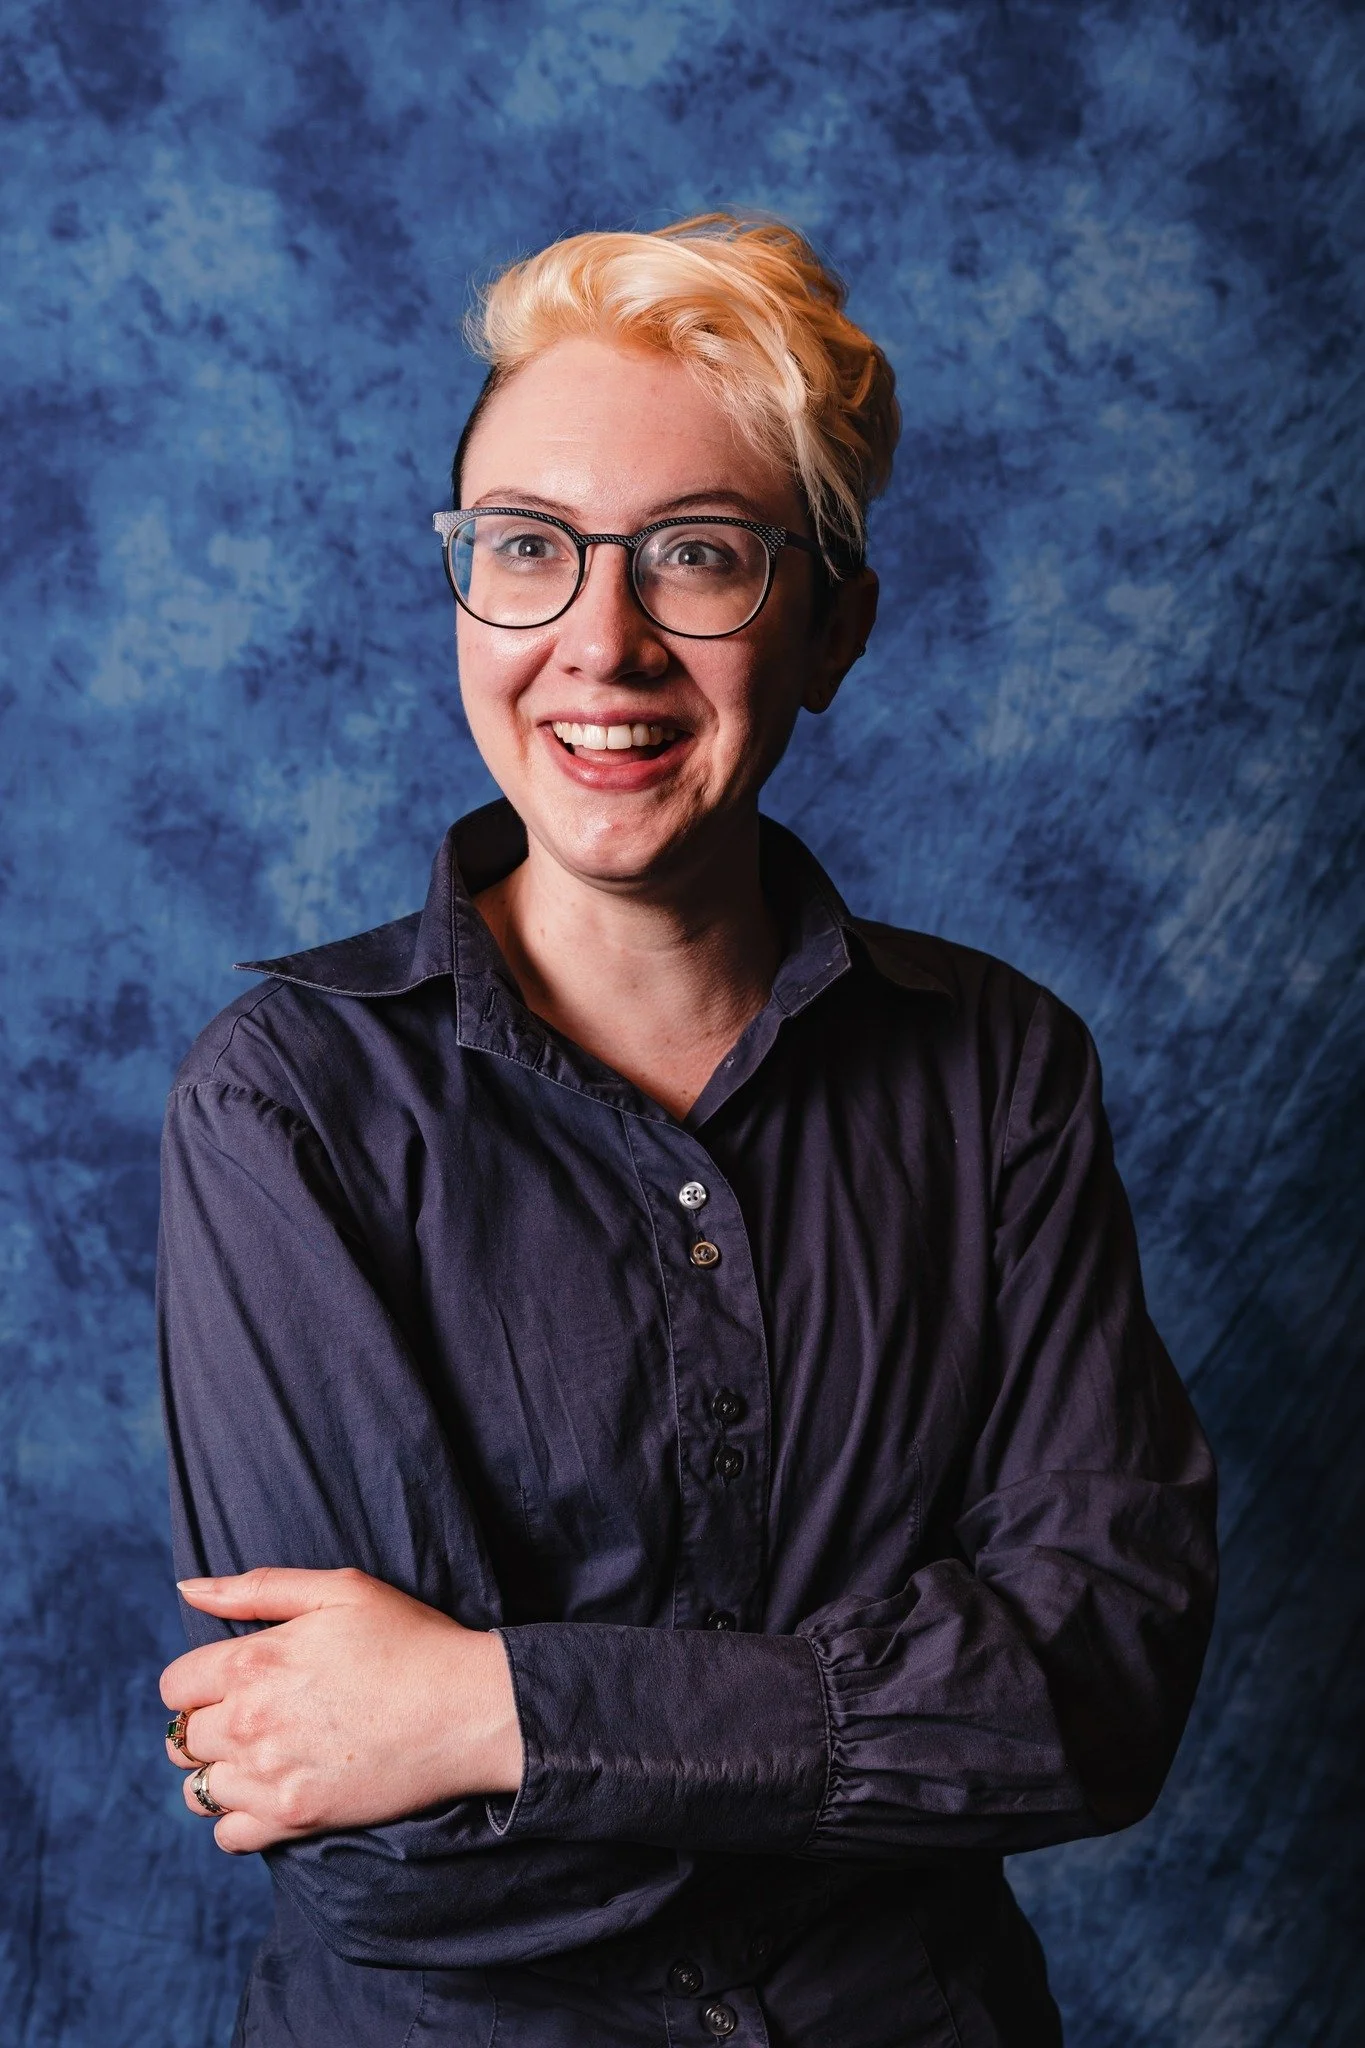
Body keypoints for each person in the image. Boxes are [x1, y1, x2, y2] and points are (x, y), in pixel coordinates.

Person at [157, 214, 1217, 2048]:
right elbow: (384, 1857)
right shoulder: (288, 1103)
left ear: (835, 627)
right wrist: (880, 1755)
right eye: (528, 553)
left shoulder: (1004, 1077)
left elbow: (1096, 1694)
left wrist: (497, 1711)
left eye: (701, 558)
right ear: (460, 591)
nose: (605, 643)